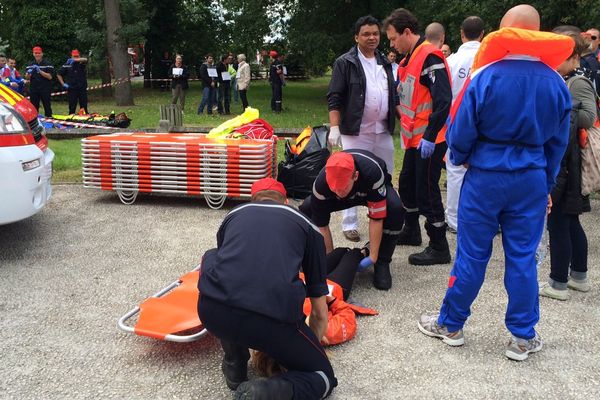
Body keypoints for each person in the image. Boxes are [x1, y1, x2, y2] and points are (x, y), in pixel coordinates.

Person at [416, 5, 572, 361]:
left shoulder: (485, 76)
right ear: (537, 32)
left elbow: (460, 133)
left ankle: (451, 324)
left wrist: (461, 158)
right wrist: (544, 183)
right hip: (530, 178)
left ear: (504, 32)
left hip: (485, 177)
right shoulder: (555, 82)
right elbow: (557, 144)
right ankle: (522, 337)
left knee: (472, 254)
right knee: (522, 258)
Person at [198, 178, 336, 399]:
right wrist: (309, 347)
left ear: (253, 200)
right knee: (324, 377)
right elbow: (319, 311)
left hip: (212, 313)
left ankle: (235, 362)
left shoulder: (233, 215)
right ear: (286, 201)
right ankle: (267, 392)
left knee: (215, 258)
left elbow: (230, 270)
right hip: (273, 322)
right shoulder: (308, 227)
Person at [384, 9, 453, 265]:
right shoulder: (407, 61)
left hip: (430, 140)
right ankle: (411, 231)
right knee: (408, 185)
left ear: (407, 32)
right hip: (414, 139)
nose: (391, 44)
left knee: (427, 191)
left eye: (393, 39)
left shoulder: (429, 56)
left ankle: (439, 246)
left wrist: (430, 135)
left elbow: (443, 100)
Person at [327, 15, 399, 243]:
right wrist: (334, 127)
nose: (372, 37)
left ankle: (383, 217)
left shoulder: (385, 62)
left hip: (382, 130)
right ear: (356, 37)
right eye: (366, 34)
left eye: (376, 33)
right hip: (355, 131)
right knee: (350, 174)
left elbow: (393, 96)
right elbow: (335, 96)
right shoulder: (345, 62)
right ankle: (350, 224)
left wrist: (404, 121)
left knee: (385, 174)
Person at [539, 30, 598, 301]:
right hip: (567, 157)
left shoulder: (577, 82)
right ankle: (579, 277)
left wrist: (564, 109)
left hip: (568, 160)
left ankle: (558, 282)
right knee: (569, 219)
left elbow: (589, 116)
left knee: (560, 221)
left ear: (573, 55)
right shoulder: (564, 79)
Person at [299, 150, 405, 290]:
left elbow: (376, 219)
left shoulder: (372, 173)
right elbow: (322, 226)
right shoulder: (320, 185)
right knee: (307, 207)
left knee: (395, 208)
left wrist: (373, 256)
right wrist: (331, 259)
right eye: (334, 188)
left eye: (341, 188)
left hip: (368, 190)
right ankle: (313, 254)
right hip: (345, 193)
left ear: (355, 176)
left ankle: (382, 261)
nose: (338, 192)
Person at [444, 16, 485, 234]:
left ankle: (454, 218)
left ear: (461, 33)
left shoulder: (450, 62)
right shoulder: (490, 59)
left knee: (455, 171)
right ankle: (483, 218)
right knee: (484, 170)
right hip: (485, 126)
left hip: (457, 122)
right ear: (483, 34)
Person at [25, 46, 54, 117]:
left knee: (47, 105)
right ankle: (35, 120)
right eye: (36, 53)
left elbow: (50, 77)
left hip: (45, 88)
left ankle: (49, 118)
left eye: (39, 53)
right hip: (34, 88)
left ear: (42, 54)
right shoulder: (30, 64)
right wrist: (28, 73)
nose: (37, 55)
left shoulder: (48, 64)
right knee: (34, 106)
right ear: (33, 54)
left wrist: (40, 71)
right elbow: (27, 78)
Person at [57, 49, 89, 114]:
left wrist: (75, 60)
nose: (75, 58)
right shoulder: (67, 64)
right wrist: (63, 84)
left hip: (82, 88)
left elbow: (85, 59)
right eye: (74, 56)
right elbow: (59, 74)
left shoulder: (81, 63)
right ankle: (71, 119)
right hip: (72, 88)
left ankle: (84, 119)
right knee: (72, 107)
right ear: (71, 56)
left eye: (77, 56)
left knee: (84, 107)